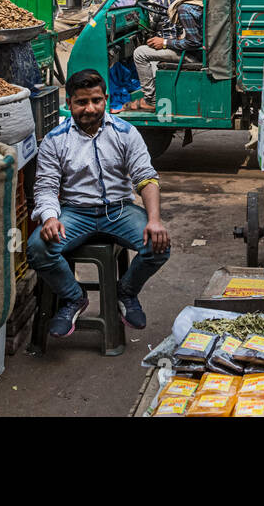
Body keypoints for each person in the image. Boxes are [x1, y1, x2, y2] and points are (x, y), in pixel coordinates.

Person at [27, 69, 171, 334]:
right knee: (37, 247)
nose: (90, 109)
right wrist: (49, 218)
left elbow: (146, 178)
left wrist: (154, 220)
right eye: (81, 102)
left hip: (120, 210)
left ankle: (125, 293)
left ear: (106, 98)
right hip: (75, 212)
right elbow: (46, 186)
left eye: (96, 100)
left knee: (159, 245)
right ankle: (74, 298)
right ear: (68, 103)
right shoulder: (55, 141)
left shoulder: (126, 133)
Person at [123, 0, 202, 112]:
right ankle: (155, 92)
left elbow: (194, 42)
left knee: (140, 53)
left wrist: (164, 42)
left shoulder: (185, 7)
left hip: (192, 54)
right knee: (151, 50)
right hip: (193, 49)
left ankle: (151, 100)